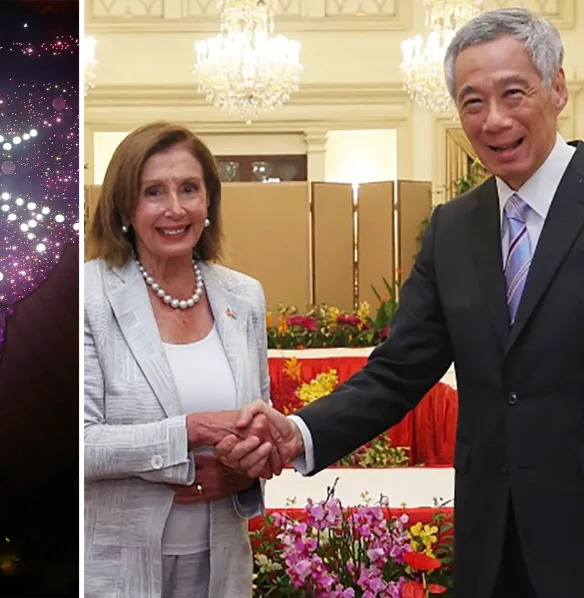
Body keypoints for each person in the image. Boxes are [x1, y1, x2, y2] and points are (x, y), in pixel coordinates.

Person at [218, 7, 581, 598]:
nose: (494, 120)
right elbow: (398, 370)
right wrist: (298, 433)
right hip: (493, 541)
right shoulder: (453, 228)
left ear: (557, 87)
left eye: (514, 93)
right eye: (471, 102)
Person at [84, 122, 279, 598]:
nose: (175, 208)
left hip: (220, 566)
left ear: (208, 201)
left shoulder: (244, 296)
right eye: (153, 191)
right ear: (125, 207)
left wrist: (249, 465)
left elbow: (261, 426)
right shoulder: (87, 297)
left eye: (189, 189)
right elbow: (80, 444)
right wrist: (190, 431)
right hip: (115, 570)